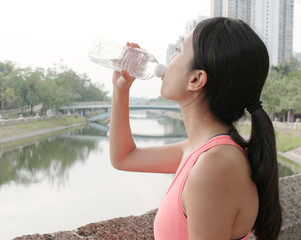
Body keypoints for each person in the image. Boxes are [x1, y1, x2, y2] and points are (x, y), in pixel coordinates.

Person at [109, 17, 282, 240]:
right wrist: (120, 90)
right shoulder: (200, 151)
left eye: (179, 51)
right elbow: (124, 158)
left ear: (196, 79)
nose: (170, 58)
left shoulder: (214, 166)